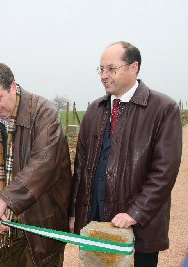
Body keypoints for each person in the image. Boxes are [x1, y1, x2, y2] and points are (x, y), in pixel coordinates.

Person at [69, 41, 182, 267]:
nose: (104, 75)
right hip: (96, 221)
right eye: (101, 69)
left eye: (111, 68)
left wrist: (135, 212)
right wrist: (75, 212)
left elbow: (164, 172)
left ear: (134, 67)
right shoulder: (94, 110)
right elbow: (81, 167)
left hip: (138, 226)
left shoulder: (163, 108)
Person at [0, 62, 72, 267]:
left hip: (41, 221)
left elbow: (44, 164)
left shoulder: (44, 113)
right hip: (3, 228)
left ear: (13, 87)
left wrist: (2, 202)